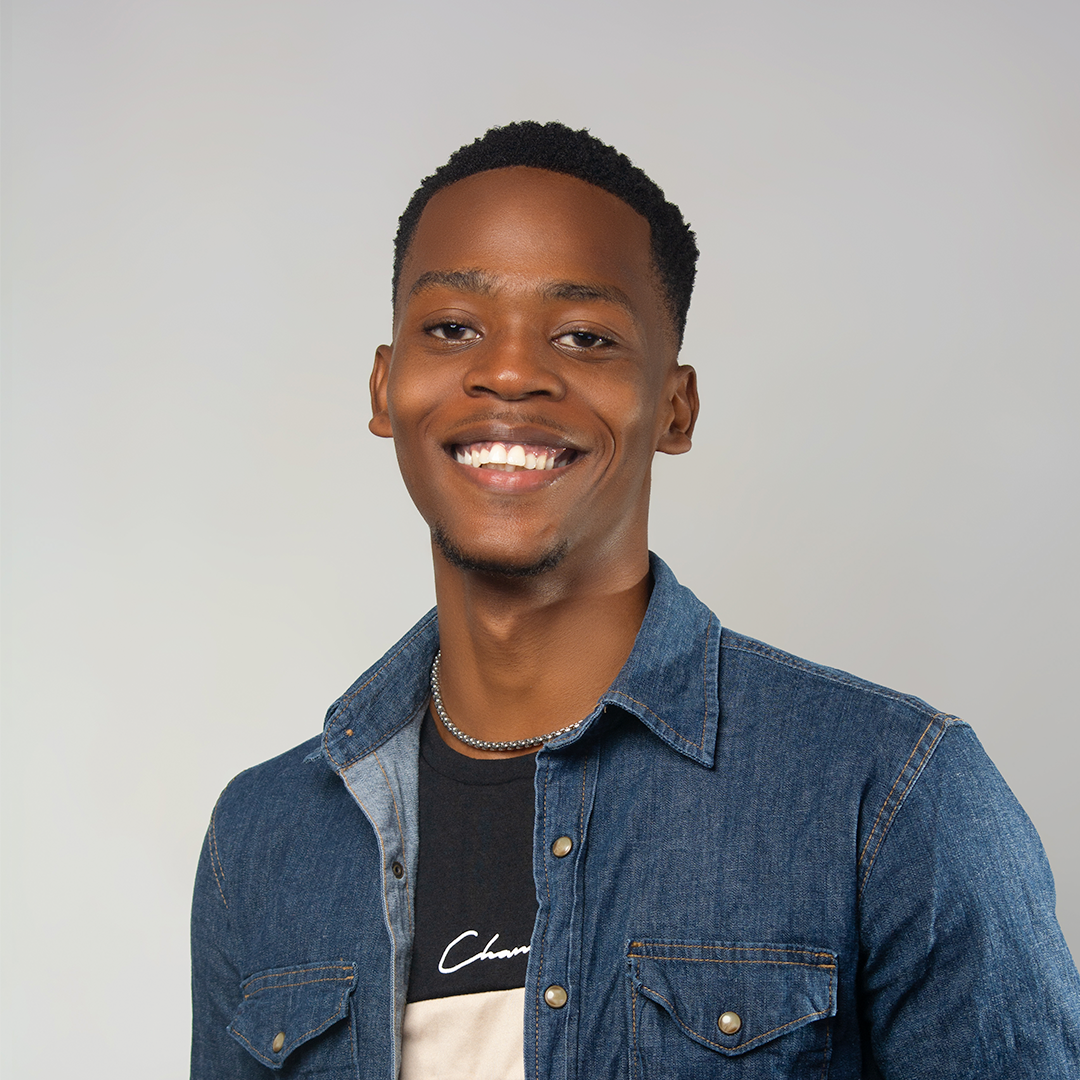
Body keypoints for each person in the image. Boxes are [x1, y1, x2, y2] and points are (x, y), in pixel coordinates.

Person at [190, 121, 1080, 1079]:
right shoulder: (263, 836)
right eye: (452, 328)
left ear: (674, 407)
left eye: (585, 336)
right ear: (384, 385)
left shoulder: (890, 794)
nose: (510, 371)